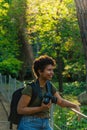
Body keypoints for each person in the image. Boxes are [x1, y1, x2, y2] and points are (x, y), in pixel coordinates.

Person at [17, 55, 80, 130]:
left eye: (52, 70)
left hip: (45, 123)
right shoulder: (30, 88)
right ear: (40, 71)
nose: (52, 73)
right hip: (29, 123)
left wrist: (75, 106)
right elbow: (20, 110)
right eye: (49, 70)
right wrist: (41, 108)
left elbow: (60, 101)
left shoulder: (49, 86)